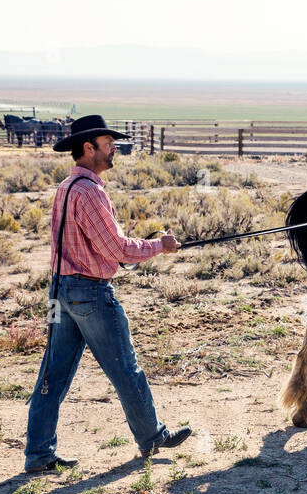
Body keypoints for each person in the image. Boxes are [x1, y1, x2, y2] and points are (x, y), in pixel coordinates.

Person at [24, 115, 192, 472]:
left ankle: (38, 454)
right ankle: (152, 436)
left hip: (61, 290)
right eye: (107, 144)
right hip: (90, 293)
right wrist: (159, 246)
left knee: (52, 376)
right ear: (89, 148)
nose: (114, 149)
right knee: (125, 368)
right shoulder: (89, 191)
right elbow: (117, 249)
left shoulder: (66, 186)